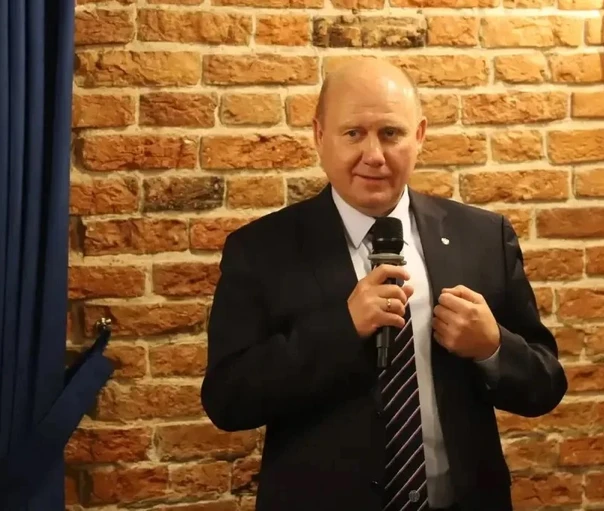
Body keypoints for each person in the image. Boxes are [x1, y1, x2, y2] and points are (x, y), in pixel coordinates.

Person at [201, 58, 567, 511]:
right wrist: (342, 328)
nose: (373, 154)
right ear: (319, 135)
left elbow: (546, 385)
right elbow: (228, 400)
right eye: (353, 133)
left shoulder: (483, 237)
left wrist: (493, 347)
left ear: (420, 136)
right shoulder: (261, 250)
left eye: (391, 133)